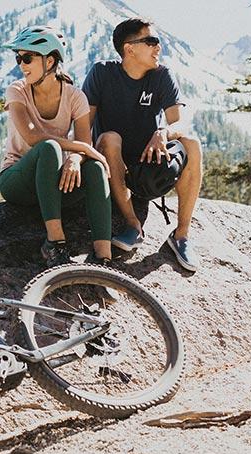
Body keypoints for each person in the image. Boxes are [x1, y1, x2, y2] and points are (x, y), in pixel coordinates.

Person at [82, 17, 204, 272]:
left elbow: (180, 125)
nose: (158, 47)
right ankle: (132, 225)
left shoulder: (162, 76)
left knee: (191, 143)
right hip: (111, 165)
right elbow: (83, 126)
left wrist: (163, 132)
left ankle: (181, 235)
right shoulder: (102, 73)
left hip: (150, 167)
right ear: (130, 48)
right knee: (109, 138)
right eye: (151, 41)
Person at [0, 25, 113, 267]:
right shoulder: (16, 91)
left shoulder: (75, 96)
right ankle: (55, 242)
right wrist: (80, 148)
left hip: (52, 185)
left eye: (27, 58)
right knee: (49, 147)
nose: (21, 65)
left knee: (94, 168)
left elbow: (83, 144)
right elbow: (33, 138)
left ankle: (103, 258)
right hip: (17, 181)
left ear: (50, 61)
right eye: (18, 58)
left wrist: (76, 156)